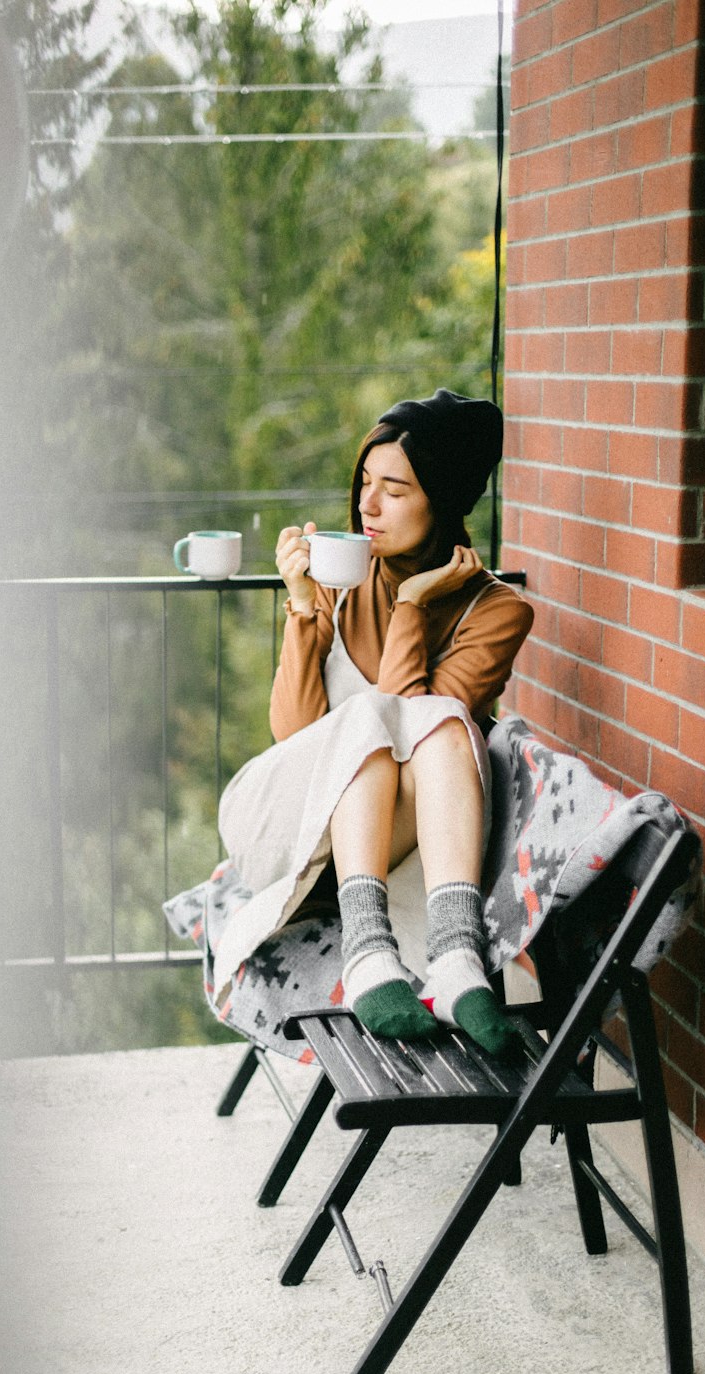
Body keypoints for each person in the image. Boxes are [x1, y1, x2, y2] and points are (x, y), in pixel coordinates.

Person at [216, 389, 534, 1059]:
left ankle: (454, 960)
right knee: (379, 727)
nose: (366, 505)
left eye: (394, 489)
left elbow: (407, 720)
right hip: (286, 828)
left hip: (381, 846)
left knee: (442, 725)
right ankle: (371, 952)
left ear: (442, 500)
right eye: (365, 483)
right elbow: (295, 733)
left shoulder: (496, 611)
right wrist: (305, 612)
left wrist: (414, 603)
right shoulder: (343, 574)